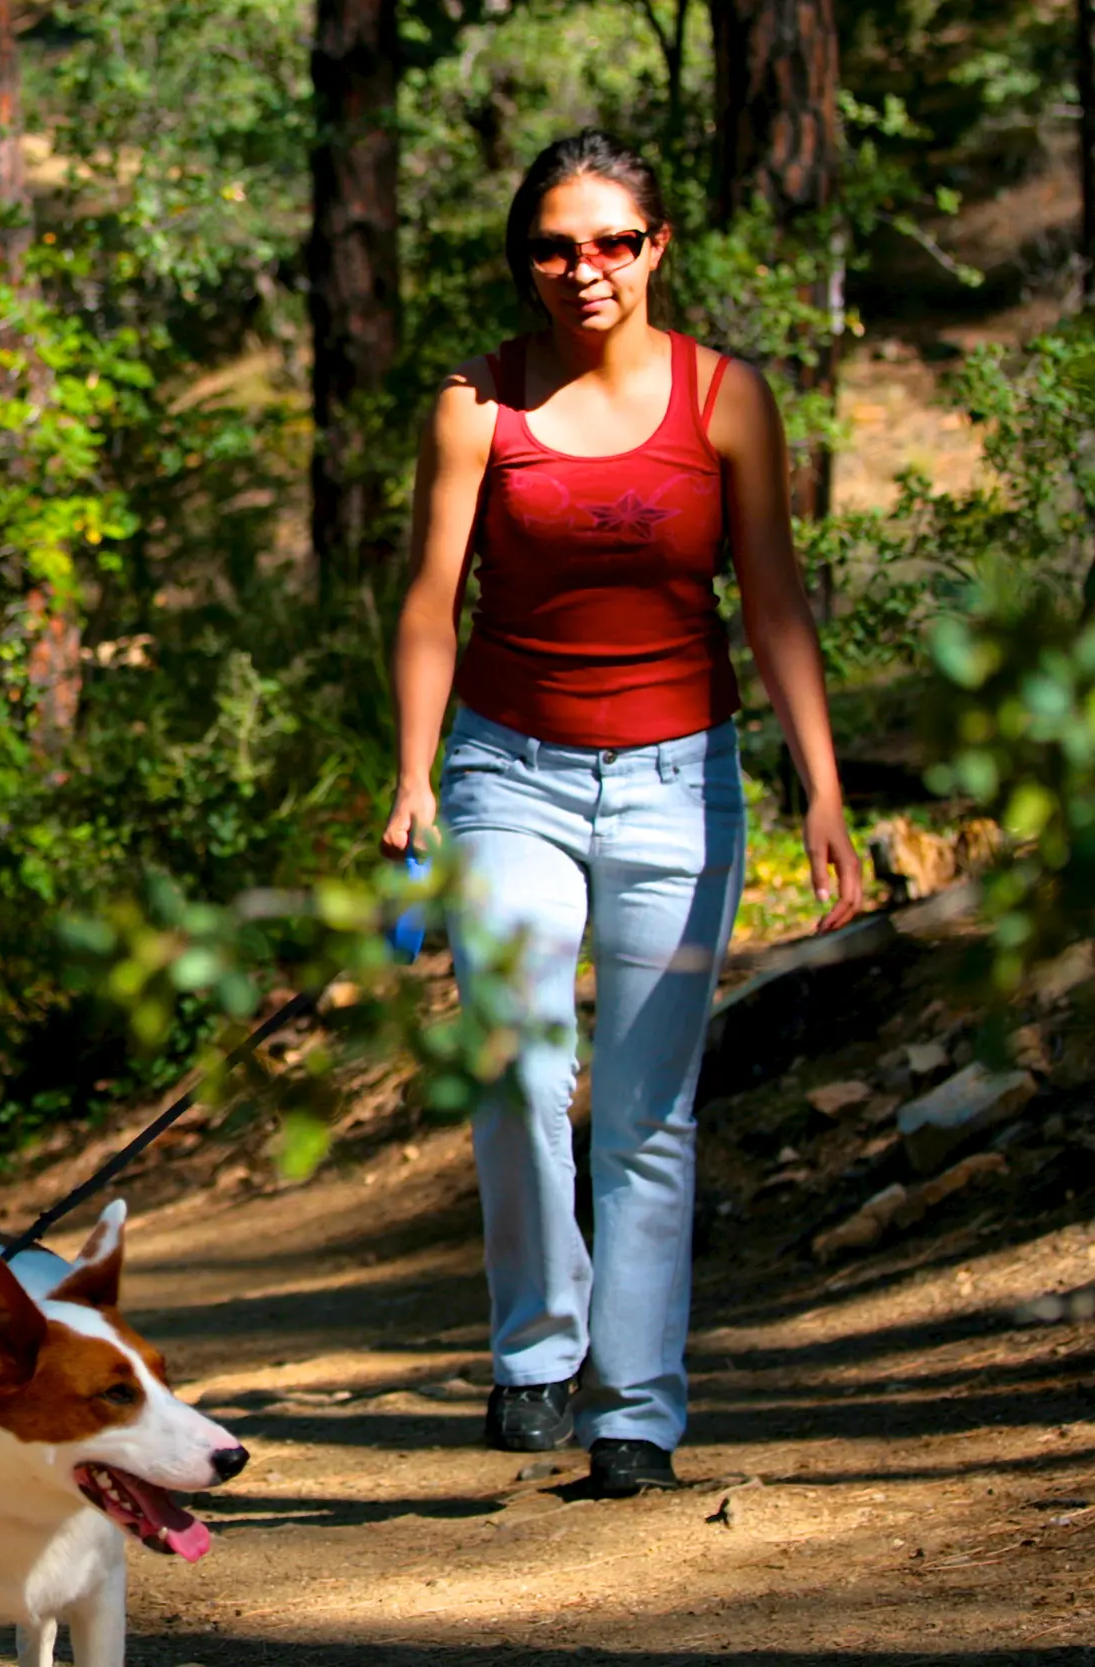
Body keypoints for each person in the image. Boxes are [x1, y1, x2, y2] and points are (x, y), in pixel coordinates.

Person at [379, 130, 862, 1498]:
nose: (581, 268)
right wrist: (415, 776)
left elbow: (772, 596)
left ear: (655, 248)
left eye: (609, 241)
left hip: (680, 784)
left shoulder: (726, 398)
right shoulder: (478, 403)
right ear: (523, 261)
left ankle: (638, 1407)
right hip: (504, 774)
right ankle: (538, 1353)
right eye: (552, 244)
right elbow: (431, 598)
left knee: (649, 1111)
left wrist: (822, 782)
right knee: (524, 1067)